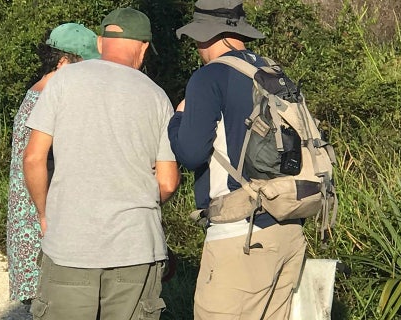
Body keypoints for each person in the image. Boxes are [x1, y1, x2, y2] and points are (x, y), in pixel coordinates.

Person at [23, 7, 180, 320]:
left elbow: (34, 157)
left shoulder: (63, 81)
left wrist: (44, 213)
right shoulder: (158, 96)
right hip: (135, 249)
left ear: (99, 42)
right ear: (144, 46)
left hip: (71, 243)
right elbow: (167, 182)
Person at [169, 0, 307, 319]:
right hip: (287, 226)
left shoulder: (211, 76)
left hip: (241, 234)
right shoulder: (273, 72)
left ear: (206, 35)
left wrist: (177, 119)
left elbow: (191, 153)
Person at [6, 22, 100, 304]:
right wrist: (46, 215)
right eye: (84, 65)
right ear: (62, 62)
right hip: (40, 221)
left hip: (32, 220)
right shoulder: (48, 99)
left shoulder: (37, 92)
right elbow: (36, 161)